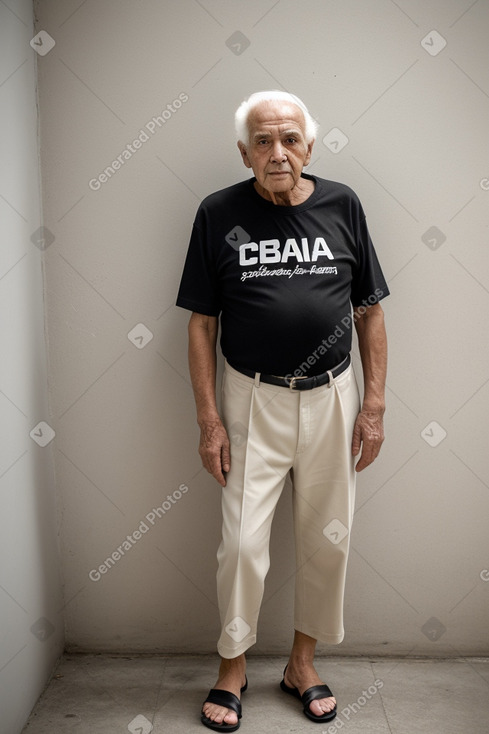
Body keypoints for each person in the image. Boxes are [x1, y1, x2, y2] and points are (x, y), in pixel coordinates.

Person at [176, 90, 389, 731]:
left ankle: (303, 663)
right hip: (250, 396)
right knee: (241, 544)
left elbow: (371, 311)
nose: (278, 153)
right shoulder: (219, 214)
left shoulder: (341, 204)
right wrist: (209, 419)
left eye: (290, 139)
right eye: (263, 142)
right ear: (244, 152)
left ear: (310, 146)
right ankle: (232, 667)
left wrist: (373, 404)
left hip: (333, 394)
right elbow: (200, 324)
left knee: (329, 537)